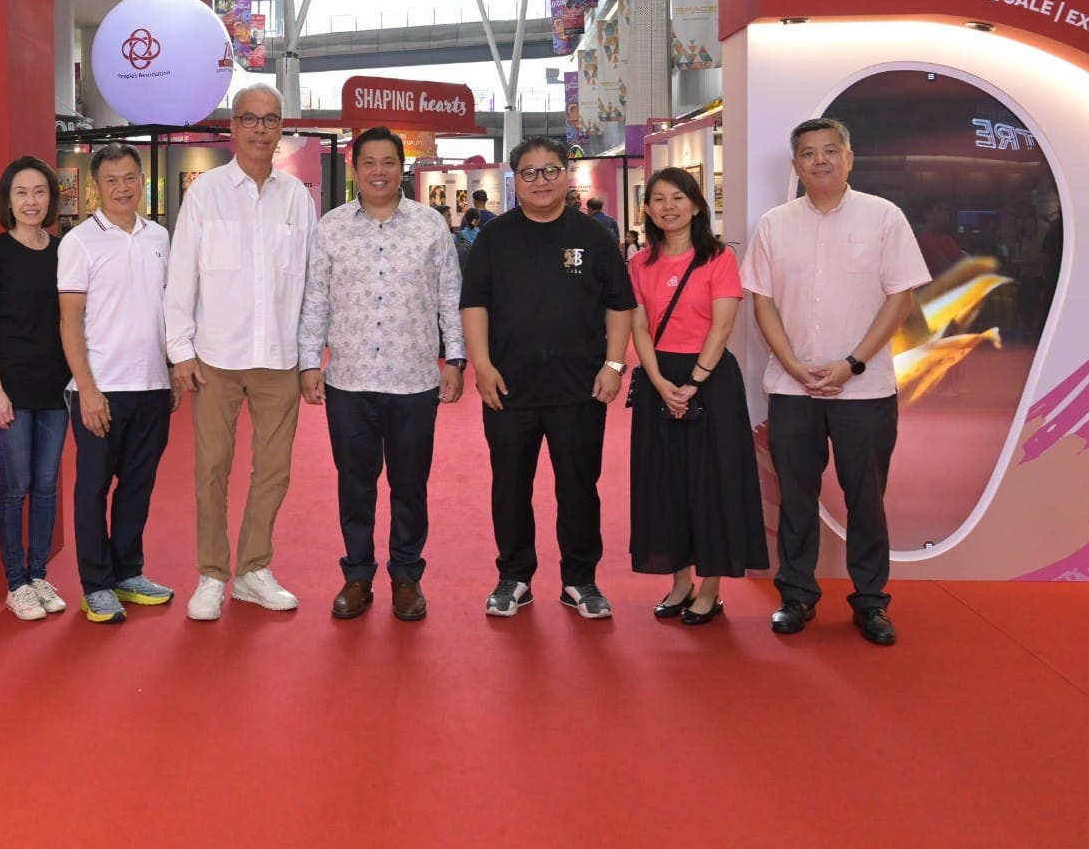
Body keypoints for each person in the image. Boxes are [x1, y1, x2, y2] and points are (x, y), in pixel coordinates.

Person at [742, 118, 930, 646]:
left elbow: (901, 299)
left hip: (864, 390)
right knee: (796, 496)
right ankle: (796, 595)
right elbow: (763, 302)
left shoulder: (884, 218)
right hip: (791, 387)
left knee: (865, 498)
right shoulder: (775, 224)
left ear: (850, 157)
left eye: (830, 150)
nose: (819, 160)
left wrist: (853, 364)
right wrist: (794, 365)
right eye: (808, 152)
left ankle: (871, 601)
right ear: (796, 164)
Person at [461, 136, 635, 619]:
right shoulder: (495, 237)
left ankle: (580, 579)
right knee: (510, 484)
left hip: (579, 388)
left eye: (551, 170)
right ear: (516, 180)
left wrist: (614, 365)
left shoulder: (593, 236)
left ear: (566, 176)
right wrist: (482, 366)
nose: (541, 180)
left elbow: (620, 305)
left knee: (579, 486)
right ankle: (514, 577)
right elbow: (474, 304)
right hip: (508, 388)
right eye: (531, 172)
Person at [166, 84, 319, 621]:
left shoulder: (298, 198)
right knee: (212, 468)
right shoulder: (205, 193)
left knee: (274, 470)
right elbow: (181, 276)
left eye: (270, 120)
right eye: (249, 119)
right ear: (232, 128)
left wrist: (309, 360)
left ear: (281, 130)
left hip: (278, 359)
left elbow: (310, 285)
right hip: (215, 359)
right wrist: (180, 351)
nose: (260, 129)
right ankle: (211, 574)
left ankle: (254, 569)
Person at [300, 128, 465, 621]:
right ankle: (357, 576)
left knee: (410, 484)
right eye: (368, 162)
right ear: (354, 169)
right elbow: (316, 299)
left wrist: (454, 359)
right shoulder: (330, 227)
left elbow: (449, 297)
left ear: (402, 168)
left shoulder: (430, 226)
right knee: (355, 484)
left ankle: (407, 577)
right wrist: (310, 361)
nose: (379, 171)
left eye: (388, 162)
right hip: (348, 380)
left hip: (414, 381)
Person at [627, 167, 769, 624]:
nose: (668, 206)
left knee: (713, 482)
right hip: (658, 379)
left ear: (696, 205)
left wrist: (693, 382)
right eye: (658, 199)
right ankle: (680, 582)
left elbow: (723, 325)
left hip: (710, 381)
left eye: (678, 197)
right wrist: (658, 381)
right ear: (646, 209)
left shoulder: (719, 258)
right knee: (666, 482)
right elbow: (639, 328)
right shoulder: (639, 263)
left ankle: (710, 588)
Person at [57, 144, 178, 624]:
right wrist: (86, 388)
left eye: (131, 178)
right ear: (94, 186)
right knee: (93, 488)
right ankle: (96, 584)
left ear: (142, 180)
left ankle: (129, 572)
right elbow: (69, 322)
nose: (123, 188)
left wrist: (171, 369)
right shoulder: (80, 242)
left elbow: (168, 309)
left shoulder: (160, 237)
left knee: (137, 486)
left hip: (150, 384)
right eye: (112, 180)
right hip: (99, 387)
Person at [0, 155, 74, 621]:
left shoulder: (64, 250)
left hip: (55, 389)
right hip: (9, 388)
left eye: (39, 192)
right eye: (21, 193)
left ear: (50, 198)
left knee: (48, 486)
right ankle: (15, 582)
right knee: (16, 487)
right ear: (8, 201)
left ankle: (38, 574)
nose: (31, 201)